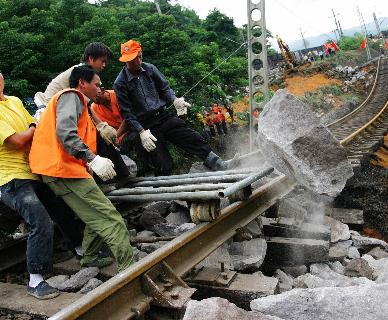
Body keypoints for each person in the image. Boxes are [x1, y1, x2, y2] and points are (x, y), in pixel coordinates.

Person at [29, 65, 134, 272]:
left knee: (93, 215)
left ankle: (89, 258)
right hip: (63, 170)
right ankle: (129, 268)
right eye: (96, 84)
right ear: (81, 83)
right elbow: (66, 134)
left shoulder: (79, 104)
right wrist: (92, 159)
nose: (99, 89)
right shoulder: (72, 96)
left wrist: (89, 164)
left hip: (55, 171)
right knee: (111, 218)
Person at [113, 40, 237, 175]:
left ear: (141, 54)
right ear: (125, 61)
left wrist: (175, 100)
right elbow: (127, 113)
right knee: (162, 163)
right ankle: (164, 190)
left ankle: (218, 164)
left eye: (139, 57)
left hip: (162, 116)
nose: (136, 62)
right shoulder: (120, 83)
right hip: (145, 125)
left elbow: (165, 89)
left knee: (191, 137)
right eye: (132, 60)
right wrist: (141, 132)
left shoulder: (150, 69)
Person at [0, 70, 60, 299]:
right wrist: (33, 128)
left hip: (33, 171)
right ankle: (36, 279)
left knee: (62, 202)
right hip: (10, 178)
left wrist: (32, 129)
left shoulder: (14, 101)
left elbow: (33, 128)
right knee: (40, 220)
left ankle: (79, 247)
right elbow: (16, 141)